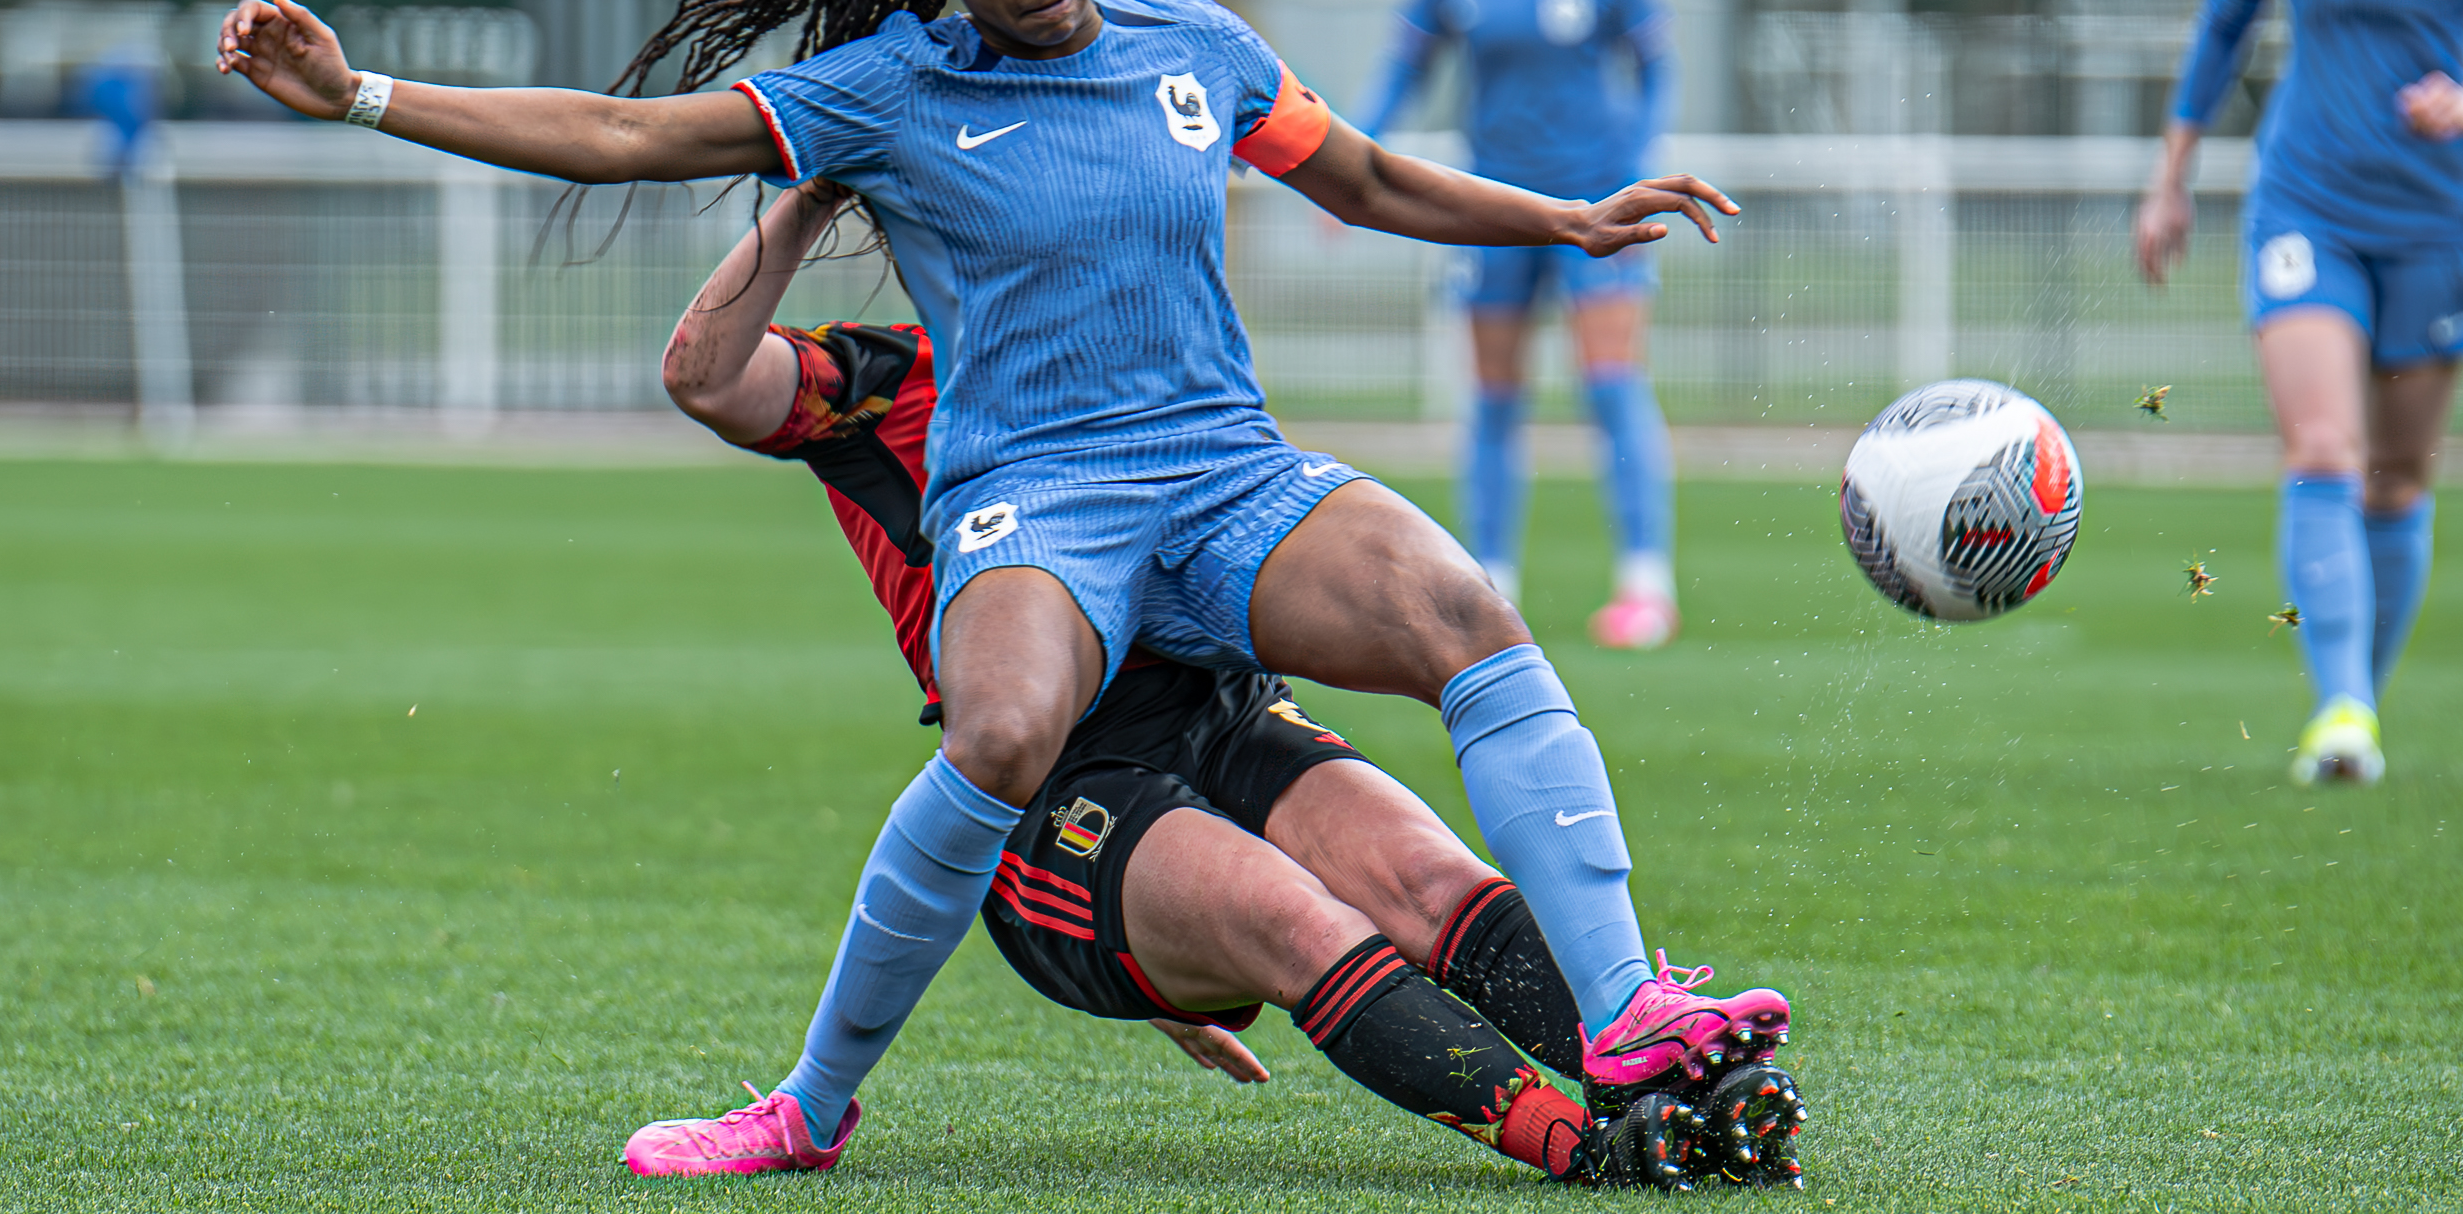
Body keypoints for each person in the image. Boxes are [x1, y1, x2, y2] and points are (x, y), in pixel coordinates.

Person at [216, 0, 1788, 1165]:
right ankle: (809, 1107)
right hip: (1041, 499)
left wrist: (1561, 216)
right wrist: (359, 93)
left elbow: (1366, 178)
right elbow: (626, 136)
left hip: (1223, 473)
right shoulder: (888, 91)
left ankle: (1631, 1005)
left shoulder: (1200, 50)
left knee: (1464, 610)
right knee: (1007, 728)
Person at [624, 179, 1799, 1186]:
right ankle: (1600, 1147)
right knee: (1299, 921)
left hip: (1227, 721)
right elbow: (706, 372)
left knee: (1434, 880)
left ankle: (1676, 1074)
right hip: (1058, 796)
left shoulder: (1154, 361)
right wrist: (818, 186)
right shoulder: (888, 382)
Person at [2137, 0, 2463, 787]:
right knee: (2323, 446)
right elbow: (2220, 29)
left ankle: (2354, 705)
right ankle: (2337, 708)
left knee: (2398, 476)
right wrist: (2169, 173)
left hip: (2436, 219)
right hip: (2306, 202)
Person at [1355, 0, 1683, 649]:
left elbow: (1658, 70)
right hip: (1494, 208)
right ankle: (1489, 585)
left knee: (1611, 385)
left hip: (1597, 208)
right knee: (1495, 397)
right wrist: (1351, 159)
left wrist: (1639, 165)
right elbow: (1404, 71)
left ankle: (1646, 582)